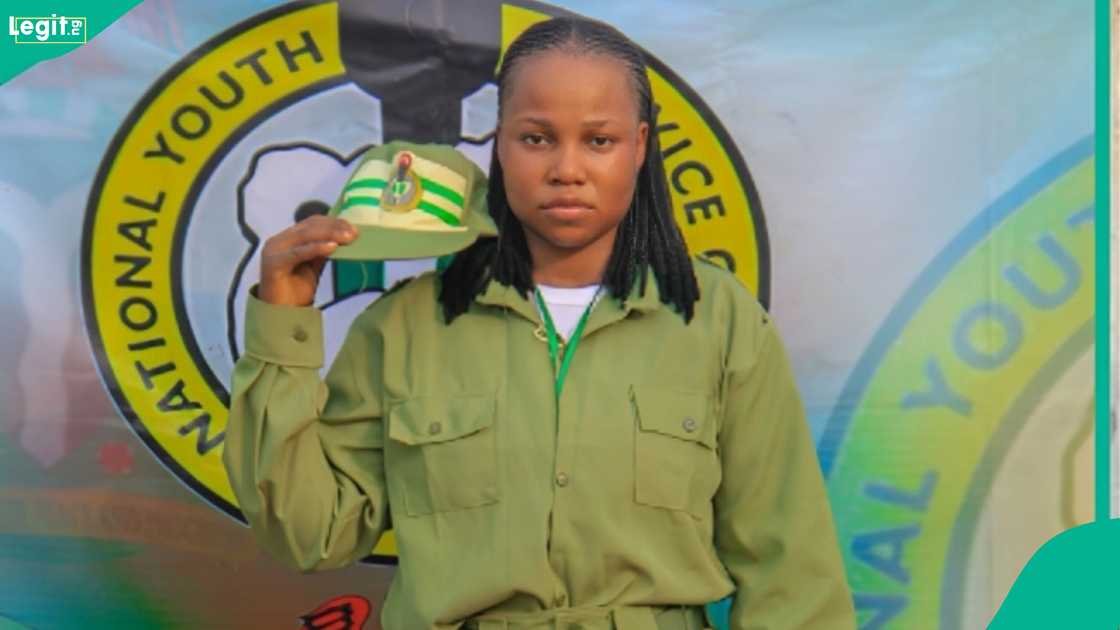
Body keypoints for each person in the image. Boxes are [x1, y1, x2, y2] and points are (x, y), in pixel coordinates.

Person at [223, 15, 857, 630]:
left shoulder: (718, 322)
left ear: (639, 146)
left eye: (599, 141)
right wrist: (282, 328)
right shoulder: (403, 329)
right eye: (537, 138)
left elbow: (788, 574)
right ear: (500, 143)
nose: (567, 170)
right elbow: (308, 533)